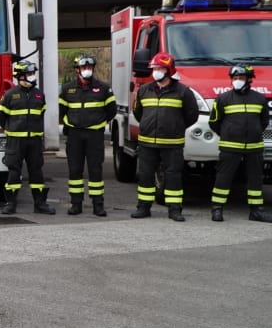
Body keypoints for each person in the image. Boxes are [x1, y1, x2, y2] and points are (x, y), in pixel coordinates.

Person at [131, 52, 199, 221]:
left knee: (173, 176)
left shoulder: (183, 92)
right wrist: (148, 126)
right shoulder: (144, 90)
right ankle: (143, 207)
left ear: (169, 70)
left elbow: (192, 115)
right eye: (154, 68)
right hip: (147, 142)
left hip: (172, 143)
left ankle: (174, 209)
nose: (156, 72)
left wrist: (175, 127)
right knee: (145, 175)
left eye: (160, 68)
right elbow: (138, 112)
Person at [208, 64, 272, 223]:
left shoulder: (259, 99)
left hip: (254, 147)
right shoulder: (223, 98)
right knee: (223, 178)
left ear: (248, 79)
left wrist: (254, 132)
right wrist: (228, 134)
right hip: (230, 146)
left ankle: (256, 211)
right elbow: (214, 122)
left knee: (255, 179)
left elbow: (264, 121)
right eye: (234, 78)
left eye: (240, 78)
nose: (237, 81)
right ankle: (217, 209)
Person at [58, 54, 116, 216]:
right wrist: (69, 124)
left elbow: (111, 111)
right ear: (77, 70)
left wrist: (98, 123)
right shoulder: (67, 89)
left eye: (89, 68)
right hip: (75, 135)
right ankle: (76, 204)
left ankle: (98, 205)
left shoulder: (104, 89)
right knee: (75, 170)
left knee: (95, 170)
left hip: (94, 136)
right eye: (84, 68)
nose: (87, 71)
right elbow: (62, 111)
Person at [0, 60, 55, 215]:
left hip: (34, 141)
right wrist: (10, 130)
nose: (32, 76)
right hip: (15, 141)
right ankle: (10, 204)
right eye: (29, 73)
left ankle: (40, 204)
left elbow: (40, 114)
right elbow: (0, 116)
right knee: (14, 172)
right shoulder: (9, 95)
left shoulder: (39, 94)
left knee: (36, 171)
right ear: (20, 76)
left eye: (32, 73)